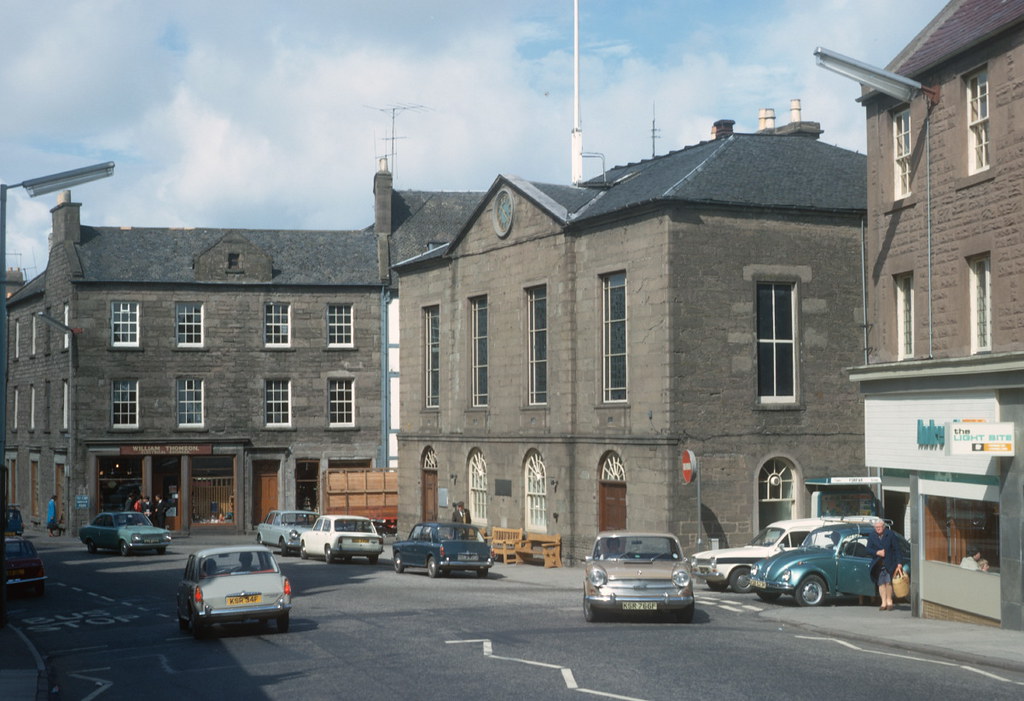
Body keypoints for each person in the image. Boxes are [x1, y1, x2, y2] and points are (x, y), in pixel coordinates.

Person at [866, 520, 903, 611]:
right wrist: (877, 552)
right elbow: (868, 549)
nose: (878, 529)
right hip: (878, 564)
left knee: (888, 582)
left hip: (890, 562)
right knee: (881, 583)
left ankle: (889, 601)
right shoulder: (872, 535)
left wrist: (899, 563)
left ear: (883, 527)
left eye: (879, 527)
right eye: (876, 527)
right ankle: (883, 602)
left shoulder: (890, 534)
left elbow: (897, 549)